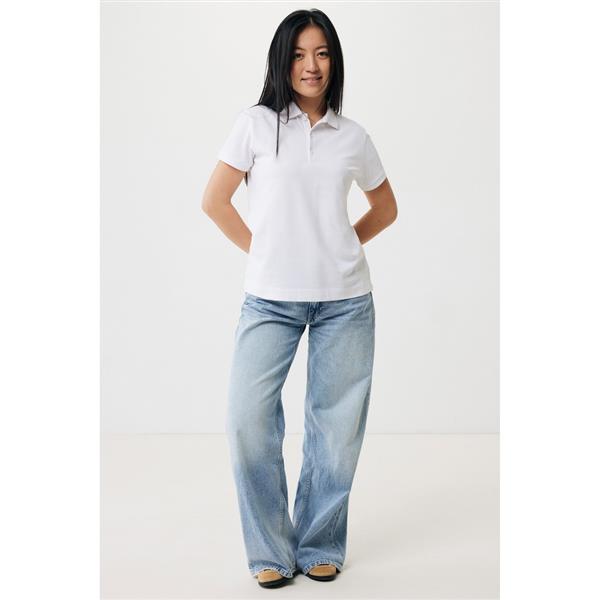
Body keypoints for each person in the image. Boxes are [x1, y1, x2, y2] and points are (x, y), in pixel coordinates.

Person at [202, 8, 397, 589]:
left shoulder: (352, 136)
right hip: (269, 300)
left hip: (345, 301)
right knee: (247, 420)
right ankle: (269, 550)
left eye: (322, 53)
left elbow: (385, 209)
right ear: (281, 62)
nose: (311, 66)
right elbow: (214, 201)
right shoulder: (256, 125)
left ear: (334, 61)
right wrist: (266, 252)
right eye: (298, 54)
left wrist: (339, 245)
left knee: (335, 432)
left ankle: (319, 543)